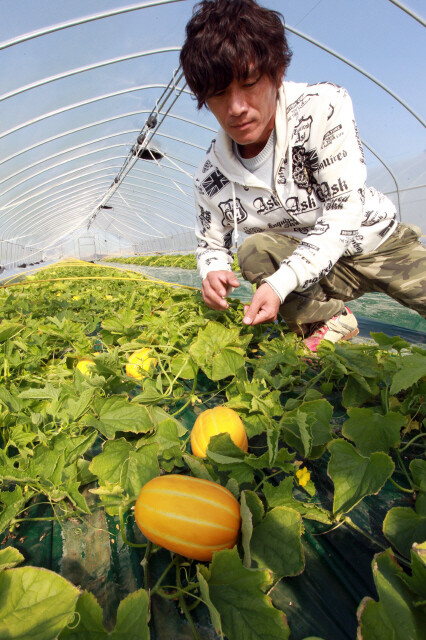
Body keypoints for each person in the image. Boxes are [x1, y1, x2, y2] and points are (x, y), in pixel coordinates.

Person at [180, 0, 426, 351]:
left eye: (249, 83)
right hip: (310, 271)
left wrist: (280, 285)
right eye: (219, 94)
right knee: (254, 251)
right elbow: (210, 243)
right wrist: (212, 270)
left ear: (276, 74)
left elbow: (343, 209)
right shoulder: (211, 176)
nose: (236, 108)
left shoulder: (320, 107)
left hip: (375, 244)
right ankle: (326, 319)